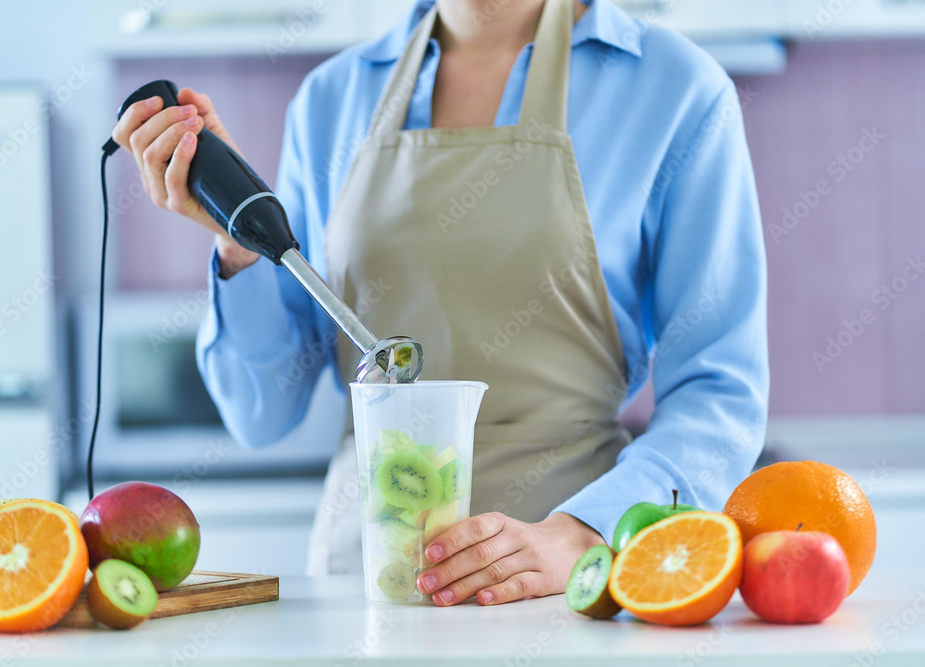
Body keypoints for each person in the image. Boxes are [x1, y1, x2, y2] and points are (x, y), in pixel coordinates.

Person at [111, 0, 769, 607]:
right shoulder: (333, 99)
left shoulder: (675, 89)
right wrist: (239, 246)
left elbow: (719, 390)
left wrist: (583, 533)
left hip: (569, 591)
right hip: (365, 590)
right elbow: (262, 412)